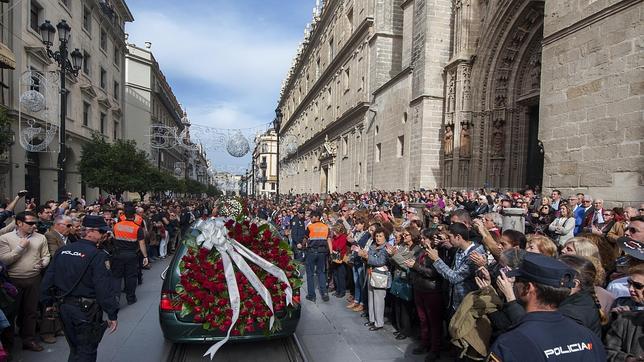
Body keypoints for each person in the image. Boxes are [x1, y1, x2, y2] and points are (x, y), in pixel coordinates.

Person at [488, 253, 606, 361]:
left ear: (528, 288)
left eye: (517, 280)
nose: (514, 284)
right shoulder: (589, 337)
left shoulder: (511, 343)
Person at [40, 215, 119, 362]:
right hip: (86, 311)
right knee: (87, 351)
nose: (104, 236)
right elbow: (103, 287)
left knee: (75, 348)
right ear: (92, 232)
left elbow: (48, 279)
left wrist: (47, 302)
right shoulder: (98, 256)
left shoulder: (63, 251)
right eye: (102, 232)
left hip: (64, 308)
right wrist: (112, 313)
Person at [0, 211, 50, 352]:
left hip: (34, 278)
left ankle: (29, 339)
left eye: (35, 223)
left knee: (31, 311)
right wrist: (20, 248)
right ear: (19, 223)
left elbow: (46, 255)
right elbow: (4, 260)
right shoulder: (5, 238)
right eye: (30, 223)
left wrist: (43, 263)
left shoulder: (40, 237)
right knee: (11, 314)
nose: (33, 226)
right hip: (13, 280)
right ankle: (8, 346)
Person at [423, 222, 484, 315]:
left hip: (467, 304)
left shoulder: (474, 254)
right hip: (455, 300)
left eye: (450, 237)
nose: (448, 240)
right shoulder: (460, 249)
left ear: (458, 237)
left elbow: (455, 277)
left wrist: (436, 260)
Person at [111, 207, 148, 305]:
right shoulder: (137, 228)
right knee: (130, 277)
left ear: (124, 215)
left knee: (116, 277)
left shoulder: (116, 226)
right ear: (134, 215)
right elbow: (142, 244)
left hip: (117, 254)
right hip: (131, 255)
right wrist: (145, 256)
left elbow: (114, 239)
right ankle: (131, 298)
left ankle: (115, 298)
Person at [299, 210, 330, 302]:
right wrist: (330, 252)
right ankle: (324, 293)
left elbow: (305, 239)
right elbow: (328, 240)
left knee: (310, 274)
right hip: (322, 252)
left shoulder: (310, 227)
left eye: (311, 217)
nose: (310, 218)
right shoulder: (326, 227)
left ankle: (311, 295)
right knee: (321, 273)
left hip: (312, 252)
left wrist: (302, 245)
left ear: (316, 217)